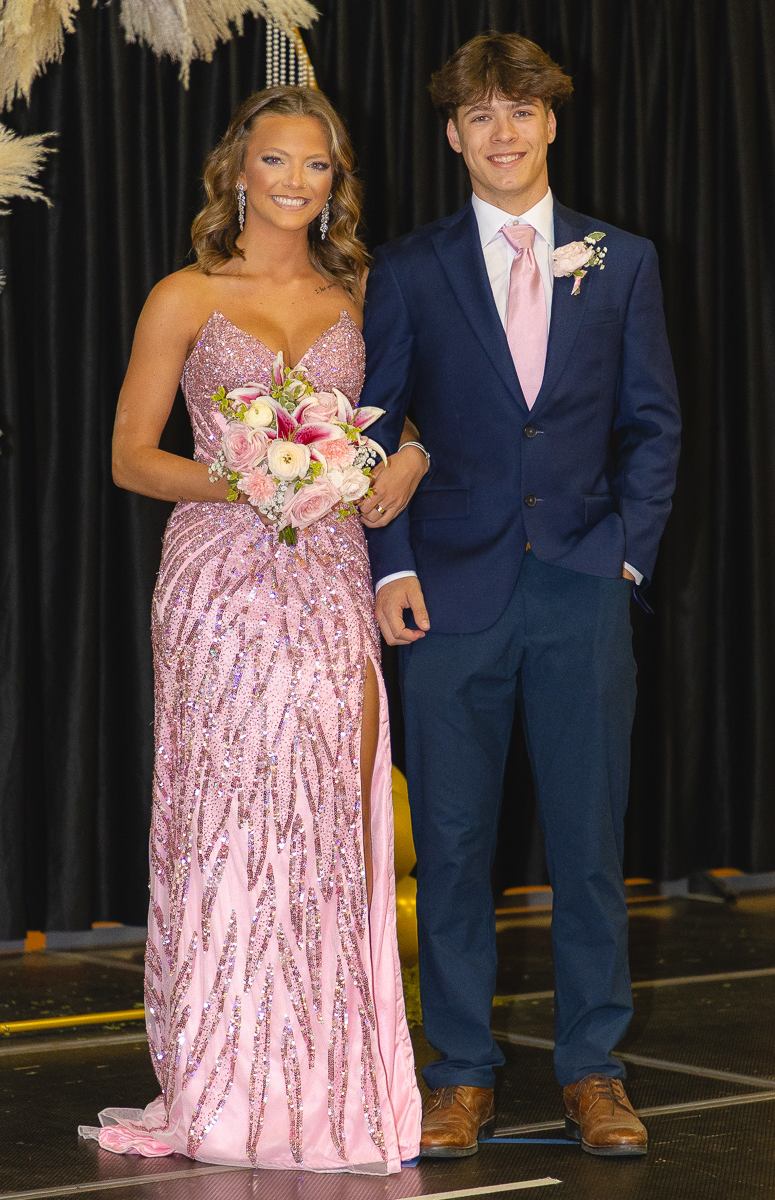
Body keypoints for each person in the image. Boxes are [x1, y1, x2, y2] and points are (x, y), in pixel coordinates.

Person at [79, 86, 426, 1173]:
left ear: (336, 182)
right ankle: (225, 1080)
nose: (293, 182)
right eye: (274, 161)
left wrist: (396, 462)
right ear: (239, 171)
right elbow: (133, 456)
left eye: (315, 166)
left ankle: (326, 1081)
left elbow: (410, 416)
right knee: (229, 816)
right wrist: (248, 484)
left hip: (328, 575)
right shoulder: (185, 295)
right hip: (219, 579)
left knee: (321, 816)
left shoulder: (364, 292)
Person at [362, 33, 680, 1160]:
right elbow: (374, 427)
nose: (502, 132)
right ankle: (457, 1077)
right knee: (449, 848)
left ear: (551, 124)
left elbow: (651, 424)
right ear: (452, 134)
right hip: (447, 595)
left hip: (581, 587)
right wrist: (390, 564)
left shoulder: (621, 258)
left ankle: (593, 1073)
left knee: (588, 845)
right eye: (480, 115)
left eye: (522, 112)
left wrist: (625, 558)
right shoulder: (405, 267)